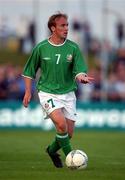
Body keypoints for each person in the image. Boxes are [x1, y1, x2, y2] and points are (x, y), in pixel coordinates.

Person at [22, 12, 93, 168]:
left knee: (69, 133)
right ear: (53, 28)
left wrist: (81, 76)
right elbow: (28, 72)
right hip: (47, 92)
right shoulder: (41, 48)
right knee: (61, 125)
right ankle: (73, 159)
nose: (66, 28)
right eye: (62, 25)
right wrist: (28, 91)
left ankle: (52, 150)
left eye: (67, 25)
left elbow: (80, 69)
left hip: (68, 93)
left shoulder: (73, 48)